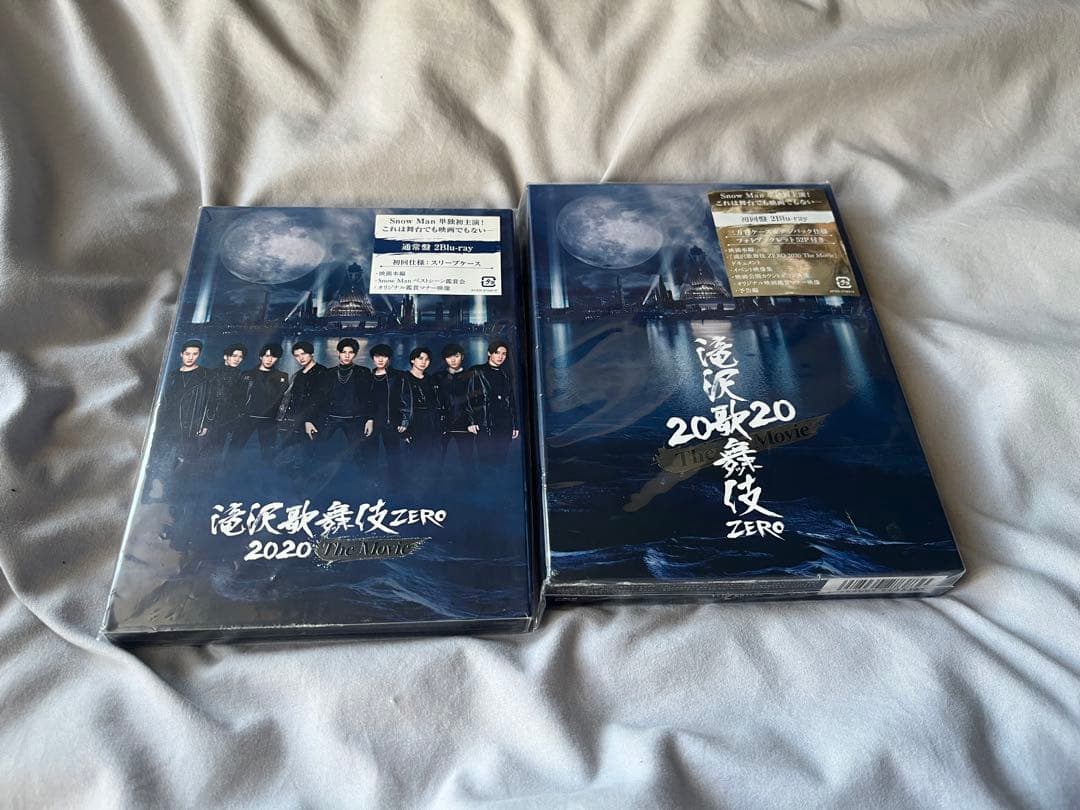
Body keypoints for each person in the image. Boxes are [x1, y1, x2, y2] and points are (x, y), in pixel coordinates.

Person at [228, 343, 289, 463]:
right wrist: (239, 414)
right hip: (247, 418)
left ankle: (265, 473)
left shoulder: (282, 377)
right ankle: (227, 471)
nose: (269, 359)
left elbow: (283, 400)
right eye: (267, 356)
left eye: (273, 357)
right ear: (261, 356)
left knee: (268, 455)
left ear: (277, 359)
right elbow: (237, 397)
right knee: (233, 450)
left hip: (268, 420)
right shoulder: (247, 374)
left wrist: (278, 419)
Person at [278, 341, 333, 473]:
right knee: (292, 456)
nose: (300, 358)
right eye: (297, 356)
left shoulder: (322, 372)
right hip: (294, 420)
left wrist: (309, 420)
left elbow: (320, 399)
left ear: (312, 354)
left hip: (312, 420)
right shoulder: (298, 375)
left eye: (303, 354)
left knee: (307, 456)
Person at [466, 339, 520, 465]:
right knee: (486, 462)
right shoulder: (477, 371)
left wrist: (514, 424)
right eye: (497, 353)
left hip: (504, 425)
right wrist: (471, 421)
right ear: (489, 353)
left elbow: (511, 400)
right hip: (485, 424)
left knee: (502, 461)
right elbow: (468, 397)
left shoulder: (505, 374)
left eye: (504, 354)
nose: (501, 356)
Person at [322, 338, 374, 466]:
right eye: (344, 352)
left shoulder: (363, 372)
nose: (347, 355)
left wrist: (370, 419)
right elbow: (322, 399)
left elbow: (369, 397)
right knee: (321, 451)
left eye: (350, 352)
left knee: (359, 456)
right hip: (331, 418)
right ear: (338, 353)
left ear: (355, 354)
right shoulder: (328, 373)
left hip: (354, 419)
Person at [367, 343, 412, 483]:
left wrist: (405, 421)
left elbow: (406, 399)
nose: (380, 360)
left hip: (391, 422)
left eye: (384, 356)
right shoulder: (368, 376)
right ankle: (372, 484)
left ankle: (396, 484)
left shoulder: (399, 376)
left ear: (389, 358)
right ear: (373, 358)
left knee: (393, 456)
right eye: (377, 356)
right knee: (370, 456)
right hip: (372, 423)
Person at [432, 343, 474, 471]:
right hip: (443, 423)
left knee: (467, 460)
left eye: (456, 356)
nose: (453, 360)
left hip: (465, 423)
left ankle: (469, 481)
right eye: (449, 357)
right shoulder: (438, 377)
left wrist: (473, 421)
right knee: (437, 459)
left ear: (462, 357)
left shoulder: (471, 376)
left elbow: (476, 401)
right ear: (444, 359)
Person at [206, 343, 247, 454]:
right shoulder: (213, 373)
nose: (237, 359)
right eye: (234, 356)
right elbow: (208, 397)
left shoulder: (241, 375)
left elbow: (240, 400)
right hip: (210, 417)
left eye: (240, 357)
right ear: (226, 357)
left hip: (227, 420)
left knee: (217, 450)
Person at [404, 347, 441, 457]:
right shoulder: (404, 378)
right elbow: (398, 403)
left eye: (427, 359)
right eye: (420, 358)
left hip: (431, 424)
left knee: (432, 458)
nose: (423, 362)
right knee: (415, 457)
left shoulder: (431, 379)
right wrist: (404, 428)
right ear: (412, 360)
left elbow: (435, 402)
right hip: (413, 423)